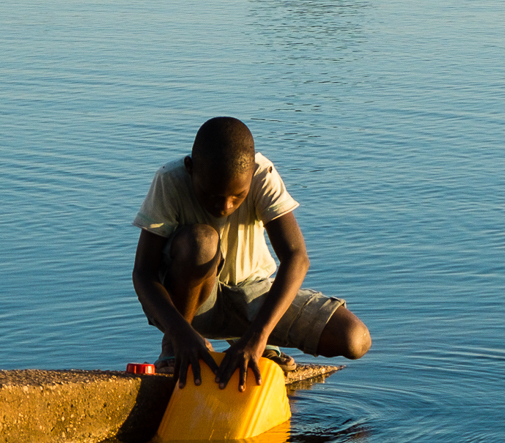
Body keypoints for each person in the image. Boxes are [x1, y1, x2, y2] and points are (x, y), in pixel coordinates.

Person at [131, 116, 371, 390]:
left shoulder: (262, 175)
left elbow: (296, 257)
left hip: (253, 297)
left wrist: (258, 336)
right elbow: (143, 273)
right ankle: (174, 348)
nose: (225, 206)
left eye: (238, 196)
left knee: (355, 339)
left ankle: (254, 343)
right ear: (190, 168)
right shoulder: (170, 180)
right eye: (212, 196)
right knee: (202, 242)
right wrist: (178, 332)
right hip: (193, 305)